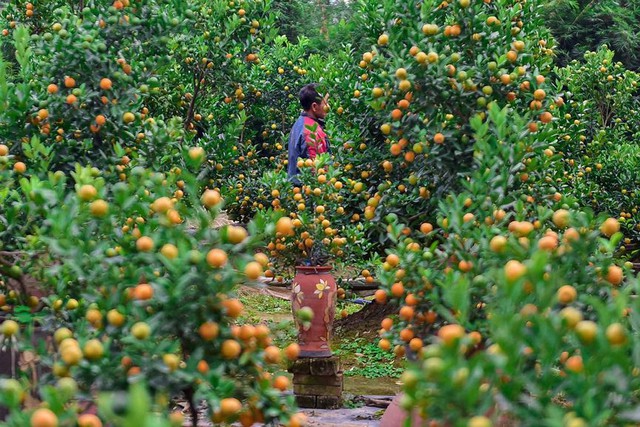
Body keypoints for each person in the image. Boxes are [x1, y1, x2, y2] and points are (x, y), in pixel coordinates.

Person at [287, 84, 330, 184]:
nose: (328, 107)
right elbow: (317, 172)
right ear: (314, 107)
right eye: (326, 103)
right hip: (307, 193)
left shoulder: (299, 123)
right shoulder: (312, 131)